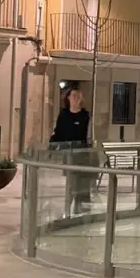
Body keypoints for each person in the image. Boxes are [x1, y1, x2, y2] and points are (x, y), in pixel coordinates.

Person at [50, 87, 94, 215]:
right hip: (68, 155)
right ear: (68, 97)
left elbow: (88, 137)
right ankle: (68, 209)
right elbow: (58, 133)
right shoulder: (64, 115)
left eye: (79, 96)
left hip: (82, 155)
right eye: (74, 95)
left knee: (82, 183)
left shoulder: (85, 116)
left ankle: (80, 208)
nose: (76, 98)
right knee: (71, 182)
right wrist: (51, 147)